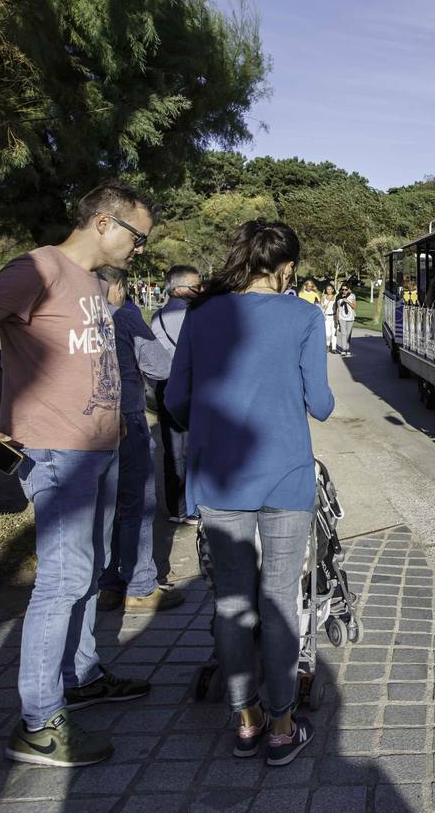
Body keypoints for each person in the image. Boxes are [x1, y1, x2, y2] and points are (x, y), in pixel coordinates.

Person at [0, 182, 155, 767]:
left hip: (100, 450)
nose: (140, 250)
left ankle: (79, 675)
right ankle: (38, 723)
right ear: (105, 223)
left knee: (87, 573)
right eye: (137, 238)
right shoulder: (37, 268)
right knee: (63, 579)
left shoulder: (88, 283)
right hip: (56, 453)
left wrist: (118, 425)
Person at [164, 219, 333, 765]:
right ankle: (283, 727)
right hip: (285, 474)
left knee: (232, 603)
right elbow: (322, 403)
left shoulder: (202, 313)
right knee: (279, 598)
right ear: (286, 266)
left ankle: (246, 720)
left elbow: (175, 398)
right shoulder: (305, 315)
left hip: (218, 475)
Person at [95, 267, 181, 613]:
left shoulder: (78, 315)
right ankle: (141, 585)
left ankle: (108, 583)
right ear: (118, 284)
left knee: (104, 508)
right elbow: (159, 366)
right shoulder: (126, 316)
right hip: (127, 417)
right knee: (136, 505)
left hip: (89, 422)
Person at [153, 265, 201, 526]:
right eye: (196, 284)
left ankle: (177, 507)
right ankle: (195, 505)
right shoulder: (199, 316)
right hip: (195, 387)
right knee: (196, 448)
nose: (200, 289)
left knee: (172, 450)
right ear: (179, 288)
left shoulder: (156, 317)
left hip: (165, 387)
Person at [334, 283, 357, 355]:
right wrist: (336, 318)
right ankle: (343, 349)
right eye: (343, 289)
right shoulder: (338, 296)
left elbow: (354, 307)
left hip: (350, 317)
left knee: (348, 334)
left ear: (348, 289)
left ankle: (347, 348)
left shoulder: (352, 296)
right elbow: (338, 308)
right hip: (342, 317)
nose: (344, 291)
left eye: (346, 289)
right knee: (343, 333)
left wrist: (348, 301)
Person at [320, 284, 336, 351]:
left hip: (334, 317)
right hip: (326, 317)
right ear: (326, 290)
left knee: (334, 333)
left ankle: (334, 348)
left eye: (330, 289)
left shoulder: (335, 297)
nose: (329, 290)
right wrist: (323, 307)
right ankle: (327, 345)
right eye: (327, 289)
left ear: (333, 290)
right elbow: (321, 307)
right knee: (328, 333)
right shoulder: (323, 296)